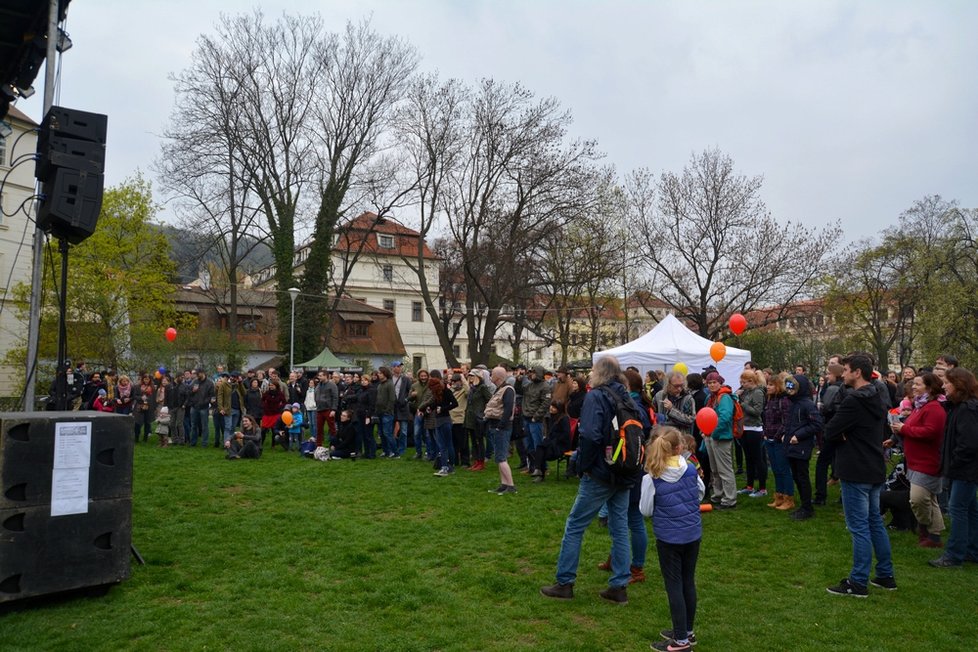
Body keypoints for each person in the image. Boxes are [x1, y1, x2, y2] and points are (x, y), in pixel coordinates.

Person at [540, 355, 638, 605]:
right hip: (624, 469)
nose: (590, 373)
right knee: (619, 528)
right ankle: (619, 586)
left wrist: (583, 466)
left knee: (575, 525)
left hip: (600, 471)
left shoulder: (597, 395)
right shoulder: (625, 395)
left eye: (593, 369)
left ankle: (565, 582)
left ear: (601, 373)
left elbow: (590, 435)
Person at [824, 353, 895, 596]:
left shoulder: (855, 400)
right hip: (874, 466)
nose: (842, 374)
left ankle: (858, 582)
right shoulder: (878, 394)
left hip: (856, 468)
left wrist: (843, 434)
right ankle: (885, 575)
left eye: (845, 369)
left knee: (859, 527)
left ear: (857, 372)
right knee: (874, 522)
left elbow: (831, 429)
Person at [641, 427, 705, 652]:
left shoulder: (652, 477)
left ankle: (681, 641)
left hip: (669, 537)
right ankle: (686, 631)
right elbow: (700, 493)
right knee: (688, 581)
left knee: (675, 585)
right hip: (691, 533)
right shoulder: (689, 468)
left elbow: (646, 509)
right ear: (680, 447)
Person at [887, 372, 946, 548]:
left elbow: (930, 432)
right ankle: (934, 536)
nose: (913, 387)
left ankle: (923, 528)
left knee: (918, 499)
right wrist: (896, 435)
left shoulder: (934, 407)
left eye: (918, 384)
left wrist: (904, 428)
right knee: (930, 498)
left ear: (929, 388)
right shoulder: (920, 406)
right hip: (915, 460)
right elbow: (914, 427)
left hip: (927, 461)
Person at [929, 367, 978, 568]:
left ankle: (954, 555)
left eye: (947, 382)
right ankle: (972, 550)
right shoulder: (959, 406)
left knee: (958, 509)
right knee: (971, 510)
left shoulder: (967, 408)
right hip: (965, 468)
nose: (944, 386)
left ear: (958, 385)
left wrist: (954, 463)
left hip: (965, 469)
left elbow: (968, 443)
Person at [783, 374, 823, 520]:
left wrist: (798, 435)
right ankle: (804, 506)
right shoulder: (793, 403)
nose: (789, 389)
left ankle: (807, 508)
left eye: (792, 386)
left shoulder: (807, 404)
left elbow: (817, 424)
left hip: (801, 446)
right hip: (791, 445)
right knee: (797, 477)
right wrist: (785, 435)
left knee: (802, 476)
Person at [703, 372, 736, 509]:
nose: (711, 385)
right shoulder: (710, 398)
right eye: (709, 383)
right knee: (714, 469)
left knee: (724, 470)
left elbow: (725, 417)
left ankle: (729, 499)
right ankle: (718, 495)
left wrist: (712, 432)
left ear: (720, 383)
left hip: (721, 438)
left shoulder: (724, 398)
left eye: (714, 382)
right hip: (711, 437)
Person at [763, 373, 794, 510]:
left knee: (783, 469)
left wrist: (777, 435)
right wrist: (765, 433)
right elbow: (766, 419)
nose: (767, 387)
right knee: (775, 469)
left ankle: (789, 498)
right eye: (767, 384)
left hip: (779, 440)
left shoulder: (784, 401)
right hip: (769, 438)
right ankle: (779, 496)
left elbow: (786, 421)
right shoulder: (770, 399)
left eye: (770, 385)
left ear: (778, 386)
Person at [484, 366, 517, 495]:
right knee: (499, 457)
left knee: (502, 457)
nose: (490, 376)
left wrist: (500, 426)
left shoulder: (508, 390)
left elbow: (508, 410)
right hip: (495, 425)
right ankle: (504, 484)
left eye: (492, 374)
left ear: (498, 377)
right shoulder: (500, 389)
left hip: (502, 427)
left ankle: (511, 486)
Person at [737, 370, 767, 498]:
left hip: (754, 429)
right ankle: (749, 486)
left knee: (758, 459)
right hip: (745, 428)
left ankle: (762, 488)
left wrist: (742, 403)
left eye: (744, 382)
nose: (742, 384)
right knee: (748, 459)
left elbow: (757, 411)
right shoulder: (746, 392)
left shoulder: (758, 392)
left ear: (751, 381)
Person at [530, 400, 573, 482]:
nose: (551, 408)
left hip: (561, 444)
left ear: (559, 409)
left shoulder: (564, 419)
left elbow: (565, 434)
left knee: (541, 449)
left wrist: (552, 441)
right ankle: (539, 470)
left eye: (554, 407)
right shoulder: (550, 418)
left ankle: (539, 472)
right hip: (552, 442)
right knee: (540, 447)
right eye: (551, 406)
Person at [465, 369, 493, 471]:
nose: (470, 378)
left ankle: (481, 462)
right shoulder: (472, 388)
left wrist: (483, 411)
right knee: (473, 441)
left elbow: (490, 399)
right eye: (469, 376)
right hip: (470, 417)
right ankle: (476, 461)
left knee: (479, 440)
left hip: (478, 418)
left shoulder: (482, 387)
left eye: (472, 376)